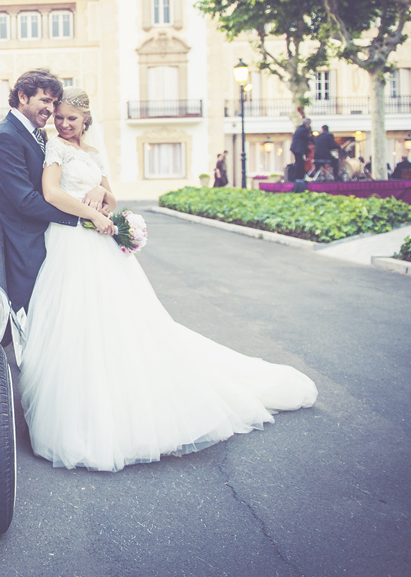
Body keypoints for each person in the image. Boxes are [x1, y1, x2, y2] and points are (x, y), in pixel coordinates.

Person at [19, 87, 317, 472]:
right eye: (59, 117)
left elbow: (112, 198)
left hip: (99, 239)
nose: (63, 124)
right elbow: (51, 192)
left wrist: (99, 194)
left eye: (71, 119)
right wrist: (91, 215)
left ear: (86, 121)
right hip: (72, 238)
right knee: (77, 320)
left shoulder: (93, 154)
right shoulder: (54, 148)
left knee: (123, 319)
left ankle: (130, 401)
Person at [0, 69, 110, 325]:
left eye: (53, 102)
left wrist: (99, 192)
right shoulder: (5, 137)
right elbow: (25, 200)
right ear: (22, 96)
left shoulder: (36, 133)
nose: (51, 110)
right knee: (39, 317)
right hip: (25, 243)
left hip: (52, 237)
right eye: (45, 100)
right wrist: (83, 216)